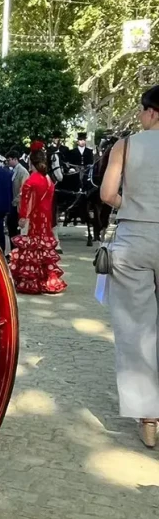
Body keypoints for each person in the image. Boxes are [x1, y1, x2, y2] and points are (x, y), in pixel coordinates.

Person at [101, 85, 159, 449]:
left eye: (142, 109)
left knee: (137, 329)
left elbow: (107, 194)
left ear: (152, 112)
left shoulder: (127, 144)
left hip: (135, 237)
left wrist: (132, 204)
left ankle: (149, 417)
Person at [8, 148, 66, 296]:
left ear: (30, 162)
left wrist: (22, 217)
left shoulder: (31, 180)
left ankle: (31, 282)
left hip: (32, 219)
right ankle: (46, 280)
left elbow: (25, 200)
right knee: (43, 251)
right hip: (45, 220)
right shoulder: (48, 180)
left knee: (30, 250)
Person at [6, 149, 28, 248]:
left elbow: (24, 190)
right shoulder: (13, 170)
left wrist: (15, 200)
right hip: (13, 204)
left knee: (16, 229)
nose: (8, 162)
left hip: (18, 205)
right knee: (12, 229)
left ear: (15, 159)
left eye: (9, 160)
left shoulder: (23, 171)